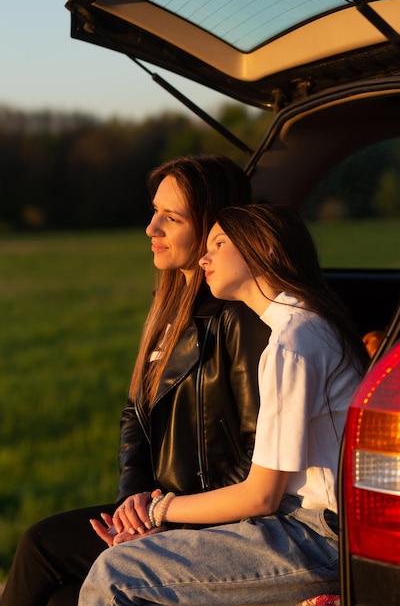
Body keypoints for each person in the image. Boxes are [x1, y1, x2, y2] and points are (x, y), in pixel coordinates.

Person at [0, 155, 269, 606]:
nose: (151, 228)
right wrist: (134, 503)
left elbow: (259, 454)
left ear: (211, 228)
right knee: (61, 589)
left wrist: (168, 517)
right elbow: (136, 413)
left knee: (40, 549)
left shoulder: (239, 317)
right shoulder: (168, 302)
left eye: (171, 217)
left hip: (211, 519)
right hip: (156, 506)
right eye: (154, 210)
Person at [78, 203, 370, 606]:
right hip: (308, 525)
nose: (204, 257)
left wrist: (159, 510)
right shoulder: (306, 329)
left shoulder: (294, 344)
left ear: (263, 250)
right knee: (130, 557)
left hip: (320, 538)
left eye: (219, 243)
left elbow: (260, 497)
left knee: (116, 573)